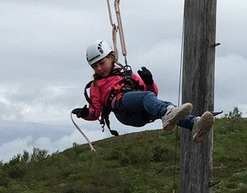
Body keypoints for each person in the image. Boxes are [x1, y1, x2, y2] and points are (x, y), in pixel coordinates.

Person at [71, 39, 215, 145]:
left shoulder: (126, 74)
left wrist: (149, 82)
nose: (99, 69)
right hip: (123, 109)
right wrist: (84, 114)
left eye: (101, 63)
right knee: (160, 105)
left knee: (164, 105)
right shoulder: (96, 86)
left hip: (141, 114)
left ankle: (194, 124)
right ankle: (168, 114)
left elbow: (152, 95)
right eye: (95, 66)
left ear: (111, 58)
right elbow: (95, 112)